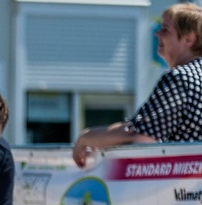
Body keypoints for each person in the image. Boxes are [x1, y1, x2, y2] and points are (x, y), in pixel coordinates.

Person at [73, 3, 202, 167]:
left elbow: (142, 132)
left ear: (188, 39)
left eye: (165, 29)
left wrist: (86, 137)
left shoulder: (180, 78)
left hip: (177, 187)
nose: (157, 33)